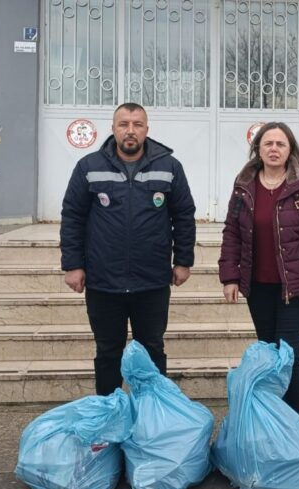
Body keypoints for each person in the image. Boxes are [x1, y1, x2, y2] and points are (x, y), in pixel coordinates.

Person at [60, 103, 196, 395]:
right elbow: (73, 216)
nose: (130, 131)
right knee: (108, 352)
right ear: (113, 129)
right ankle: (109, 414)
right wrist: (73, 264)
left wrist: (183, 260)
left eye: (137, 124)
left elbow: (183, 215)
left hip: (152, 280)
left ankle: (153, 415)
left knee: (152, 350)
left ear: (147, 129)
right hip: (103, 281)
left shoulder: (169, 167)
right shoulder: (89, 166)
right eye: (124, 124)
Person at [218, 122, 299, 417]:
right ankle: (272, 421)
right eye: (268, 143)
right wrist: (229, 276)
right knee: (268, 354)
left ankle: (295, 424)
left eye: (281, 144)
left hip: (293, 287)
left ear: (291, 149)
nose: (274, 149)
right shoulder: (244, 184)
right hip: (258, 286)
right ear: (257, 149)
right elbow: (232, 232)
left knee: (288, 355)